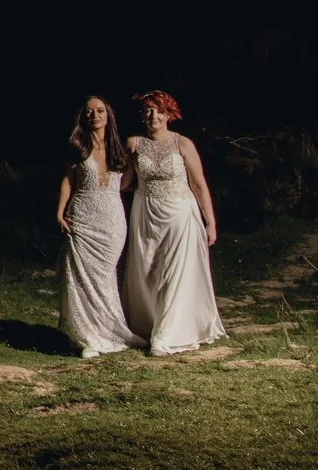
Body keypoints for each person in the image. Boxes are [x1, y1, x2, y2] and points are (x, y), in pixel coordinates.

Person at [121, 89, 226, 355]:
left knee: (174, 272)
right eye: (148, 110)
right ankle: (149, 325)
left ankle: (168, 335)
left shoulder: (183, 144)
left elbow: (199, 185)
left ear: (169, 114)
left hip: (180, 213)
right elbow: (123, 182)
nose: (153, 115)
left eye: (158, 110)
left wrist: (210, 222)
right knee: (149, 271)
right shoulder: (134, 143)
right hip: (145, 214)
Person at [56, 95, 144, 359]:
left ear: (108, 116)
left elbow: (127, 183)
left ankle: (109, 331)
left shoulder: (120, 149)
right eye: (90, 111)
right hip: (83, 217)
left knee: (105, 277)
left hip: (113, 221)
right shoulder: (76, 146)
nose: (95, 115)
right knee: (81, 279)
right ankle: (86, 337)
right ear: (84, 117)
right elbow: (68, 182)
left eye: (100, 111)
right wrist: (60, 212)